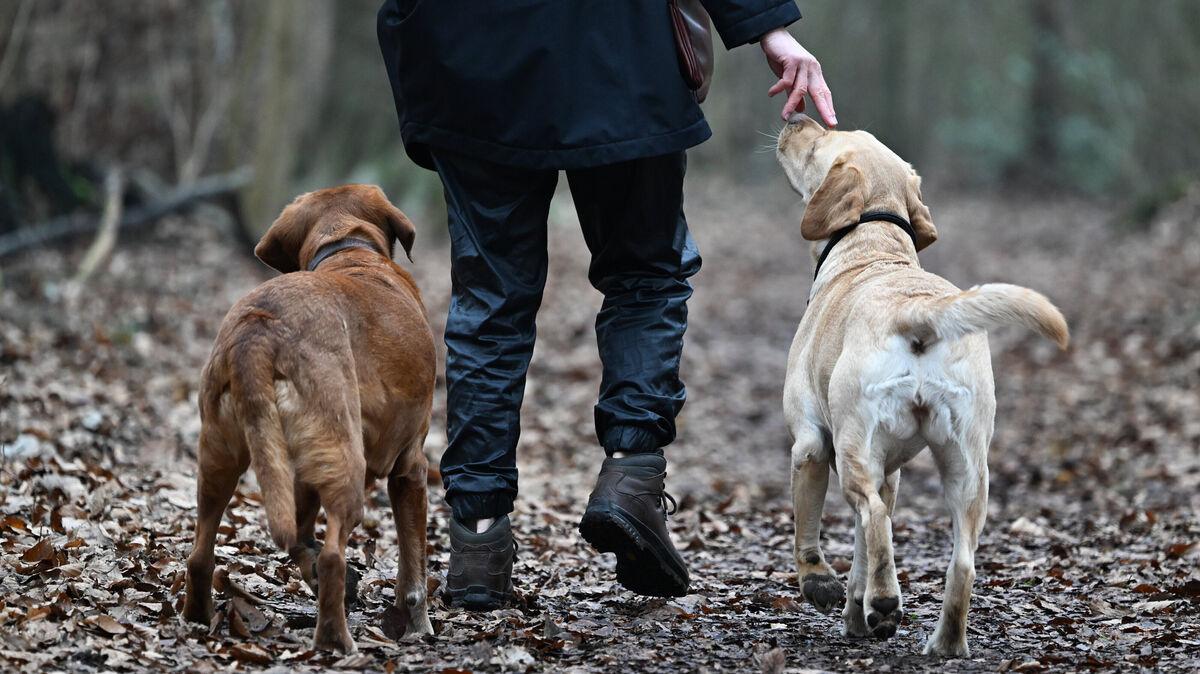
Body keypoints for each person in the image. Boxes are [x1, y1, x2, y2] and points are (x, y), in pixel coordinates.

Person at [377, 0, 837, 610]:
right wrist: (766, 29)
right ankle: (631, 476)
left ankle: (477, 544)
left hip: (470, 59)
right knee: (645, 275)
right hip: (620, 50)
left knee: (490, 304)